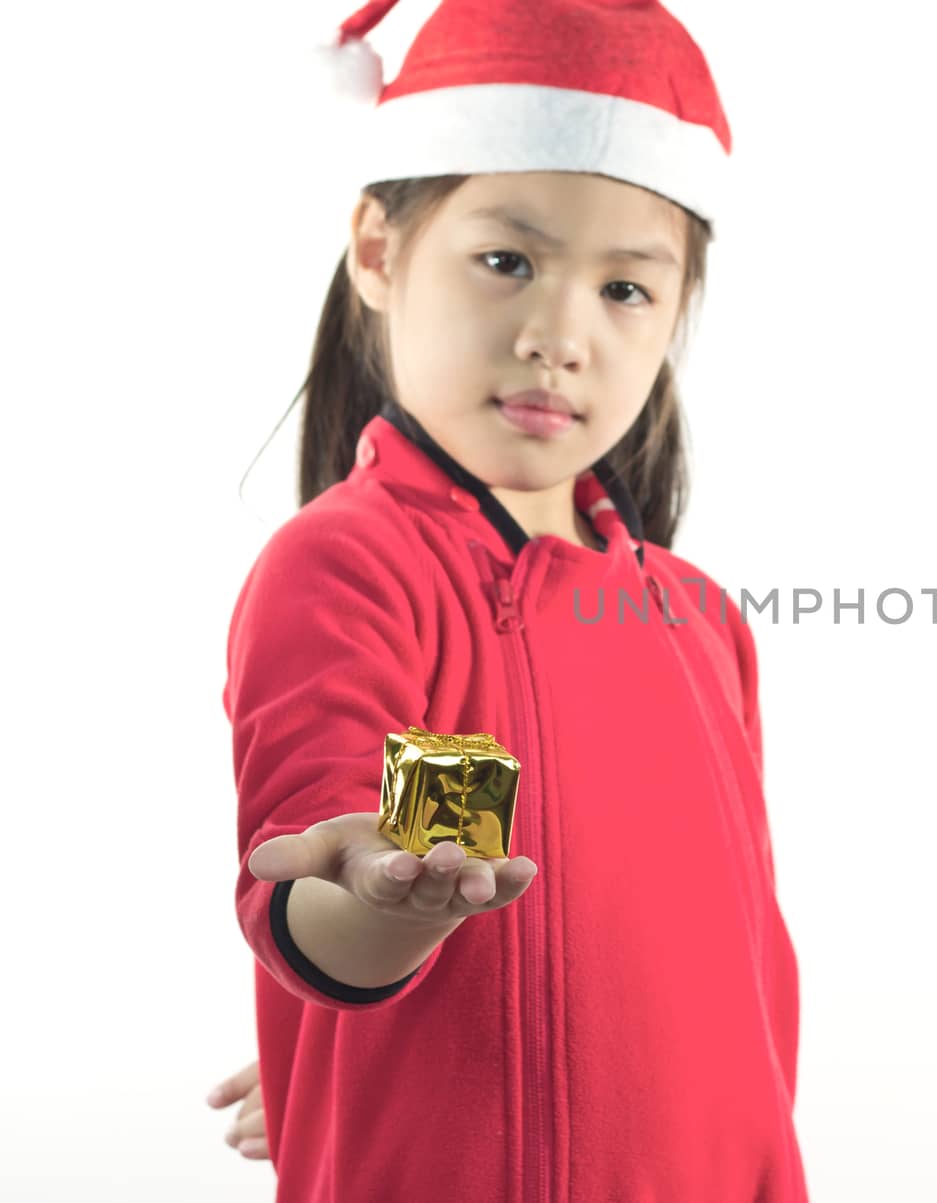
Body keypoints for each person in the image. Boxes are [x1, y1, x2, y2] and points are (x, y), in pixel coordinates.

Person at [223, 2, 806, 1199]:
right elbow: (363, 867)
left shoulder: (699, 620)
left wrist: (362, 1051)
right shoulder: (365, 569)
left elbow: (686, 978)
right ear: (380, 254)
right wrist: (377, 933)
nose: (558, 334)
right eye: (508, 261)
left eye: (627, 290)